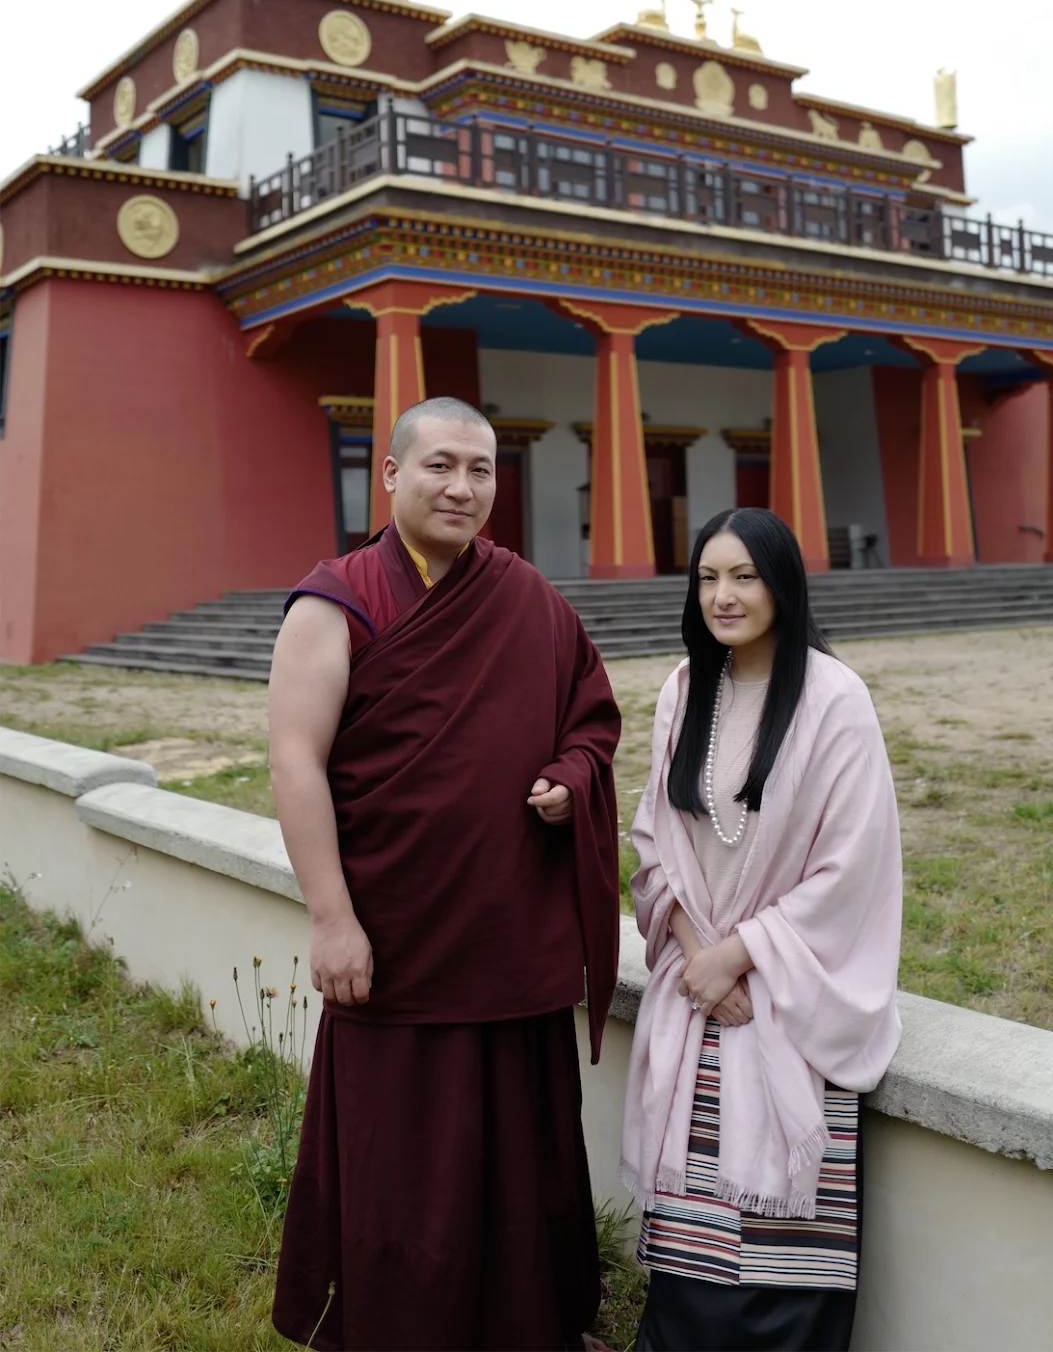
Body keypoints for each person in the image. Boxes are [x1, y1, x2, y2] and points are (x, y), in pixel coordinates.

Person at [268, 396, 622, 1352]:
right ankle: (403, 1324)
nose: (463, 487)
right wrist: (331, 918)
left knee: (522, 1146)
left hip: (509, 934)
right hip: (397, 935)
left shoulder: (528, 597)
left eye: (481, 470)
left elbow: (591, 717)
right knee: (406, 1155)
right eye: (440, 466)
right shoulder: (335, 600)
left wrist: (570, 776)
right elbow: (295, 761)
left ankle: (531, 1320)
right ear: (390, 477)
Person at [620, 507, 902, 1352]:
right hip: (697, 988)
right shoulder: (683, 688)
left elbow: (852, 867)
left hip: (785, 995)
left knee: (778, 1267)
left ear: (782, 582)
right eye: (708, 577)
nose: (724, 596)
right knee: (691, 1252)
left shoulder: (833, 699)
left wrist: (745, 955)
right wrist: (699, 953)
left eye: (744, 576)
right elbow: (652, 836)